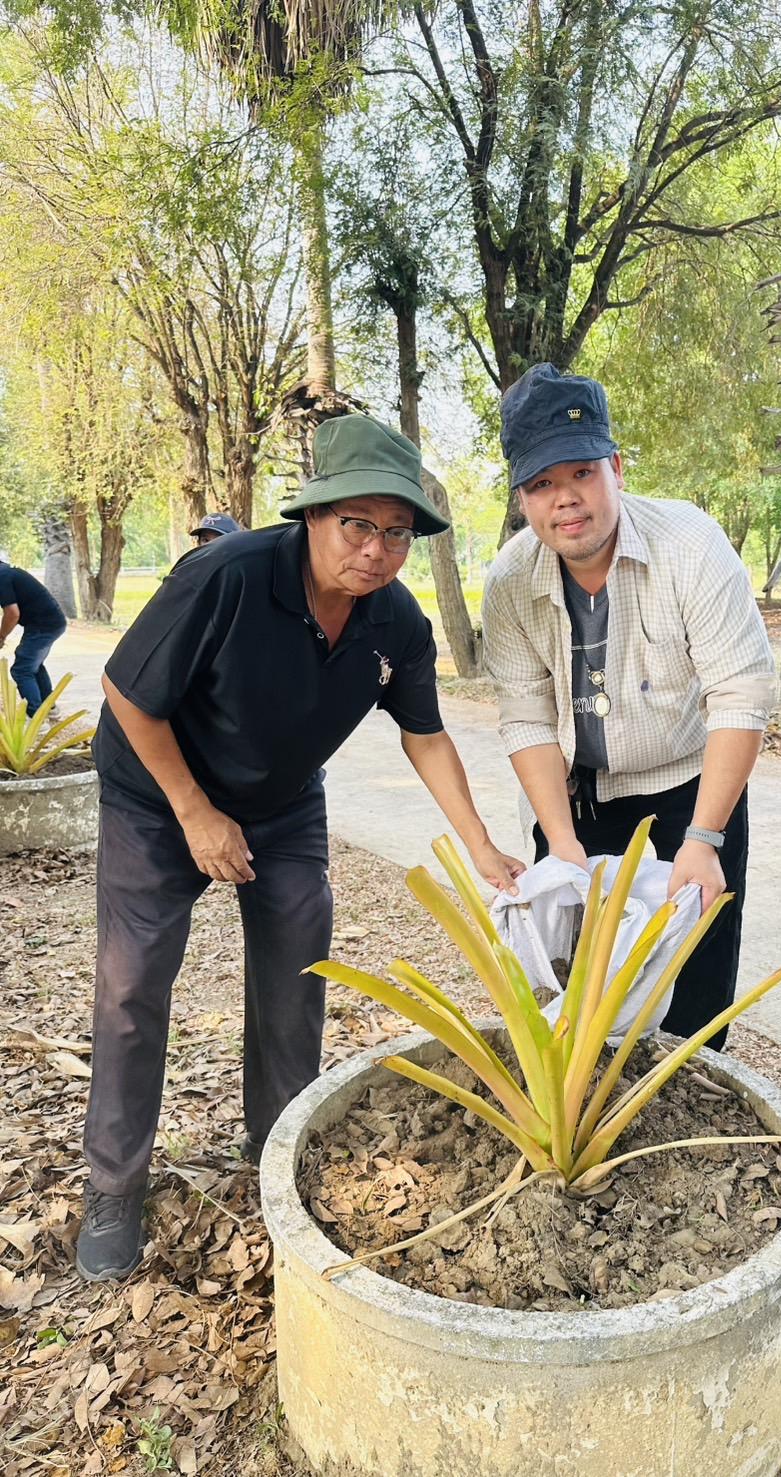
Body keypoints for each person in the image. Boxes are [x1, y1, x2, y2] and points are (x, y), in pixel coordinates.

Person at [77, 413, 524, 1283]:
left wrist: (479, 843)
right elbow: (127, 693)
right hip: (157, 794)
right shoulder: (227, 575)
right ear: (314, 514)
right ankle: (114, 1185)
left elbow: (425, 732)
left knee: (297, 961)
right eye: (357, 524)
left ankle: (276, 1145)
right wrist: (195, 812)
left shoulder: (396, 620)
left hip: (281, 805)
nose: (377, 550)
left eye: (397, 532)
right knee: (132, 983)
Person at [481, 363, 776, 1048]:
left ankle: (681, 1097)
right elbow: (526, 716)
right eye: (542, 483)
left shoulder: (690, 545)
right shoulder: (509, 581)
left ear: (616, 468)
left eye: (581, 472)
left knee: (690, 990)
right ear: (522, 497)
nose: (565, 499)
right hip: (575, 802)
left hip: (690, 795)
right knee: (577, 991)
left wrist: (704, 839)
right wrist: (561, 846)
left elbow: (741, 692)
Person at [0, 558, 68, 714]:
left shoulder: (2, 577)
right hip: (49, 622)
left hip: (44, 625)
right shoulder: (6, 573)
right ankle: (49, 707)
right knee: (32, 666)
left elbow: (12, 614)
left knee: (22, 669)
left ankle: (35, 716)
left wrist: (2, 636)